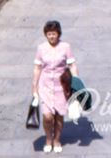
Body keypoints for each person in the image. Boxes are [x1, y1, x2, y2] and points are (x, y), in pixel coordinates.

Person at [32, 20, 78, 153]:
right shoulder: (41, 48)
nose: (51, 36)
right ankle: (48, 138)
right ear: (46, 35)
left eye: (54, 34)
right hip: (45, 85)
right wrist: (34, 87)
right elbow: (37, 68)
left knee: (58, 115)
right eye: (49, 34)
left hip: (61, 87)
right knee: (47, 116)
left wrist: (76, 82)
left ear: (58, 34)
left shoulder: (65, 47)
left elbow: (72, 65)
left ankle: (57, 139)